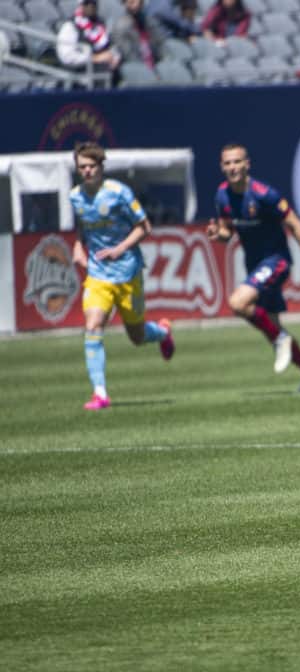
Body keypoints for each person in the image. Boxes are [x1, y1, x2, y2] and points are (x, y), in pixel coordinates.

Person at [207, 144, 300, 393]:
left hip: (277, 261)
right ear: (221, 167)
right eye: (227, 163)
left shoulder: (264, 194)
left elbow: (295, 225)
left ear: (247, 164)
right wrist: (218, 234)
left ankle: (280, 340)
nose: (232, 167)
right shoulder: (222, 196)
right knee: (271, 324)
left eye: (237, 162)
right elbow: (228, 232)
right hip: (254, 266)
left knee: (239, 303)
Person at [70, 141, 175, 411]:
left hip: (128, 271)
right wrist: (78, 248)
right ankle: (100, 393)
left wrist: (119, 249)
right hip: (97, 274)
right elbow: (83, 229)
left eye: (91, 166)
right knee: (93, 326)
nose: (87, 171)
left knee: (137, 336)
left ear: (101, 167)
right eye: (82, 167)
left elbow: (145, 227)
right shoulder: (75, 197)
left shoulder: (119, 193)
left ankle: (162, 333)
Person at [56, 0, 122, 77]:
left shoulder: (101, 24)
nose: (91, 6)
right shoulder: (70, 26)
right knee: (104, 71)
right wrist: (95, 58)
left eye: (94, 3)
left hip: (103, 67)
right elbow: (67, 57)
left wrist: (114, 57)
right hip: (80, 73)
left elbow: (111, 45)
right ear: (81, 5)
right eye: (87, 3)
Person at [111, 0, 167, 69]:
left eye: (136, 1)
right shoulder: (120, 27)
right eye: (131, 2)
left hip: (156, 65)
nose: (134, 5)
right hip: (138, 70)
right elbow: (129, 56)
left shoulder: (148, 20)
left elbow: (161, 44)